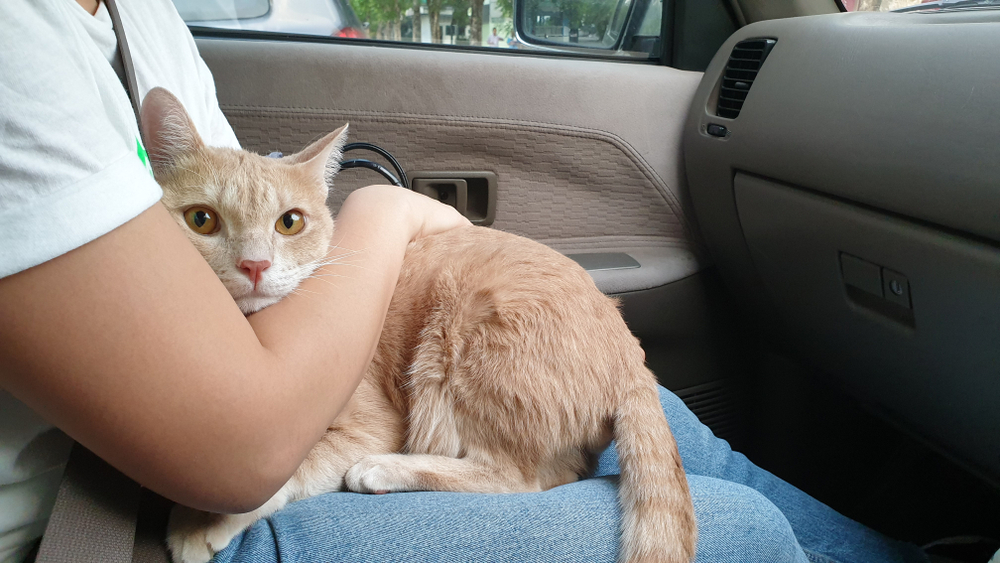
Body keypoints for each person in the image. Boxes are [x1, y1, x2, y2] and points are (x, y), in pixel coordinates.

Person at [0, 1, 941, 563]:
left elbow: (244, 205)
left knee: (657, 410)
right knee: (739, 531)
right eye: (206, 225)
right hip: (111, 511)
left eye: (288, 228)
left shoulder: (140, 17)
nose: (254, 257)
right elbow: (236, 451)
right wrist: (388, 211)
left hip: (254, 391)